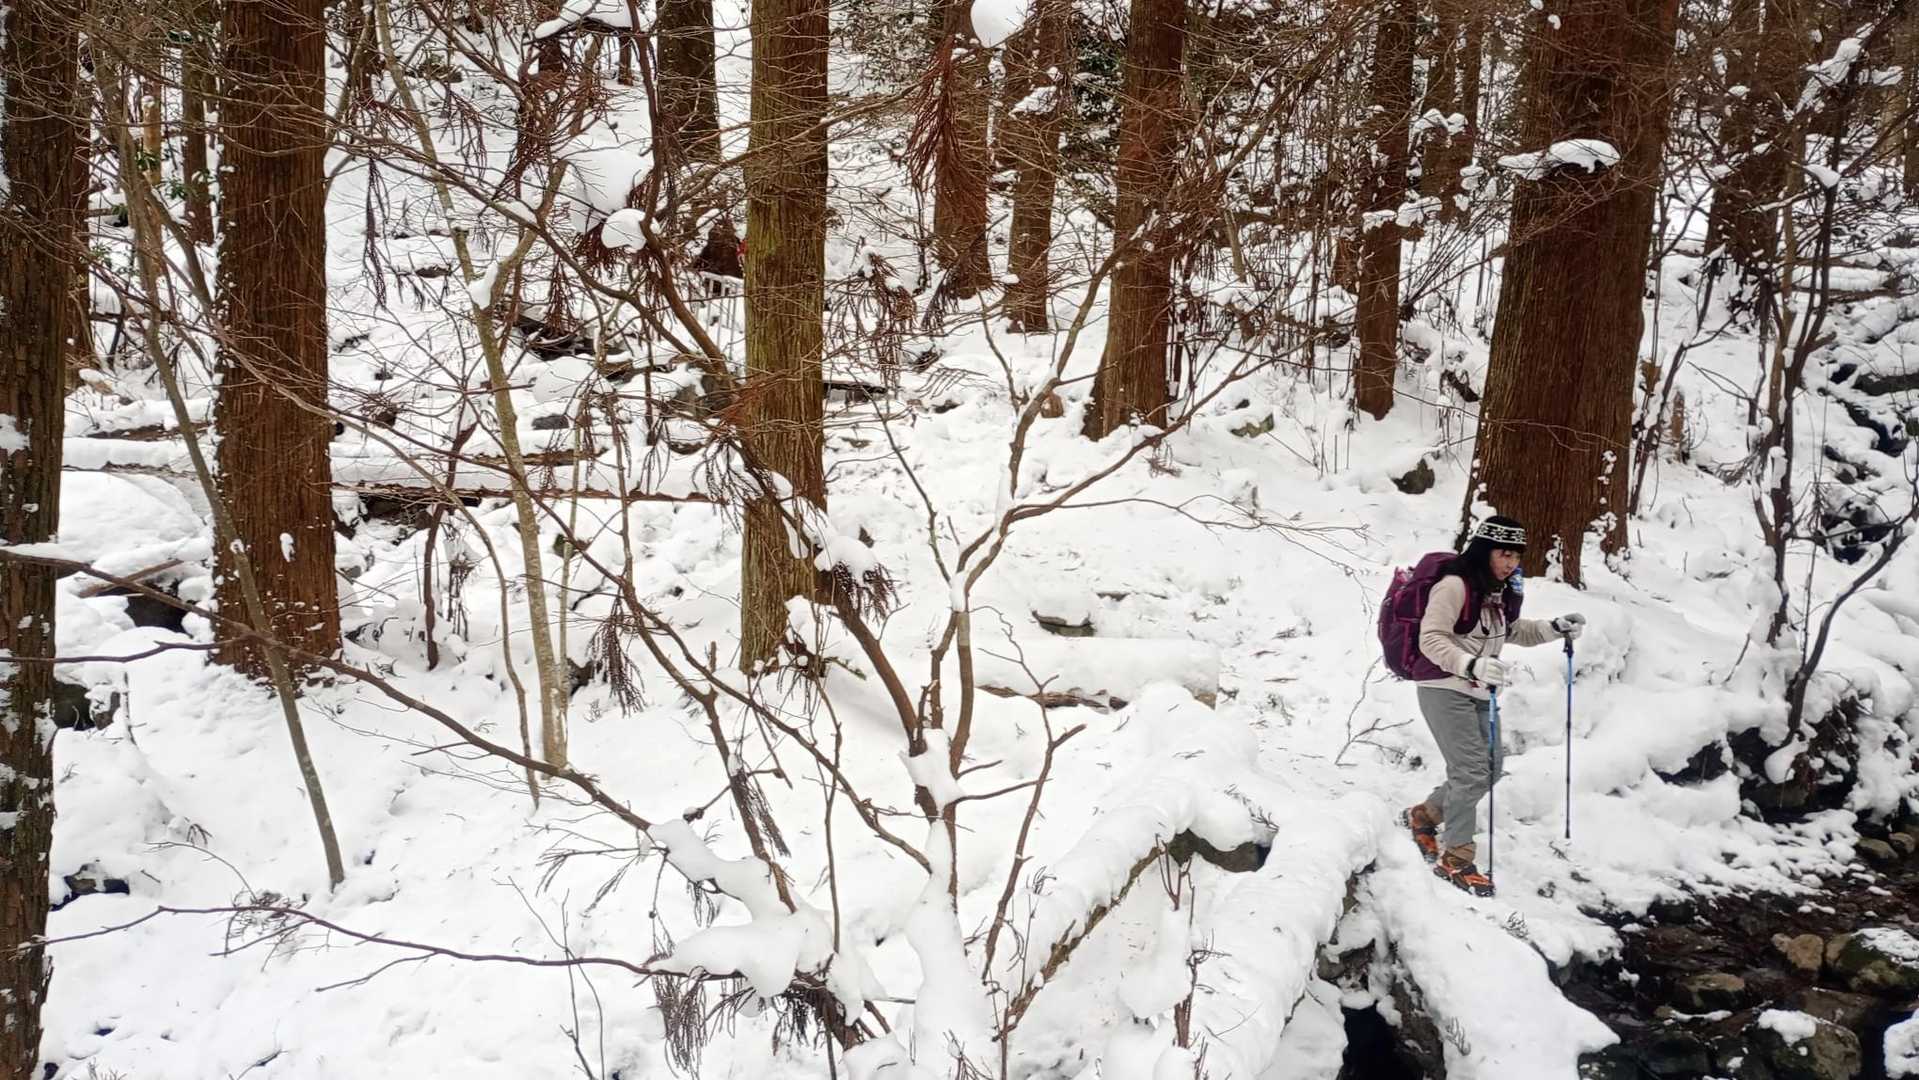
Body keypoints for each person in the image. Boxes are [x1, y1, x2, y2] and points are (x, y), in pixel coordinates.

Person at [1398, 515, 1584, 896]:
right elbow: (1430, 638)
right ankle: (1457, 858)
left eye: (1516, 556)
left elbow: (1510, 631)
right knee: (1470, 771)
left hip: (1480, 691)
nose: (1510, 563)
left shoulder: (1497, 591)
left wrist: (1553, 628)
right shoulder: (1454, 586)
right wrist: (1470, 664)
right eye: (1503, 554)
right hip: (1443, 686)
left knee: (1491, 768)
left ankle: (1426, 815)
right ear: (1484, 551)